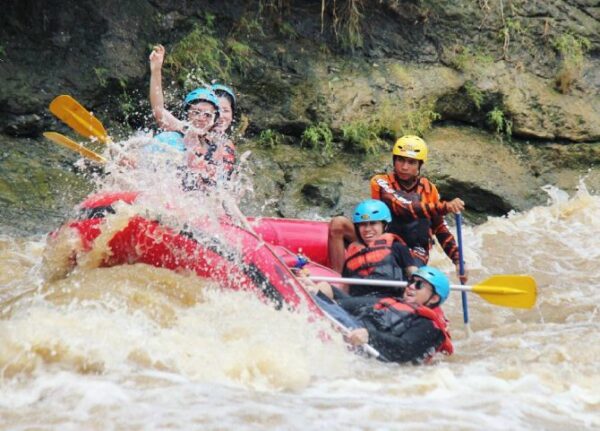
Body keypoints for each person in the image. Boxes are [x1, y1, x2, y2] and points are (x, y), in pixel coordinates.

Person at [328, 135, 467, 282]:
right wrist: (445, 206)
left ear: (420, 165)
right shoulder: (381, 182)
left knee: (407, 274)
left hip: (415, 250)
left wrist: (458, 260)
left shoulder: (429, 190)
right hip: (378, 238)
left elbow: (440, 229)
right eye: (400, 160)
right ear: (394, 160)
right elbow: (403, 206)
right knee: (338, 224)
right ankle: (338, 280)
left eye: (411, 162)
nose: (404, 167)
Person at [344, 266, 454, 364]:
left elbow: (404, 349)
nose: (411, 286)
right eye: (411, 281)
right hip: (354, 329)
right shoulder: (390, 302)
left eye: (419, 285)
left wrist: (370, 335)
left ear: (434, 298)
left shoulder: (428, 325)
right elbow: (345, 303)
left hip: (372, 356)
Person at [340, 199, 417, 297]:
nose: (367, 229)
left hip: (389, 302)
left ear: (384, 226)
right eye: (363, 224)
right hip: (357, 305)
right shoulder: (352, 252)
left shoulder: (397, 247)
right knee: (324, 286)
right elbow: (344, 288)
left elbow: (415, 277)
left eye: (373, 223)